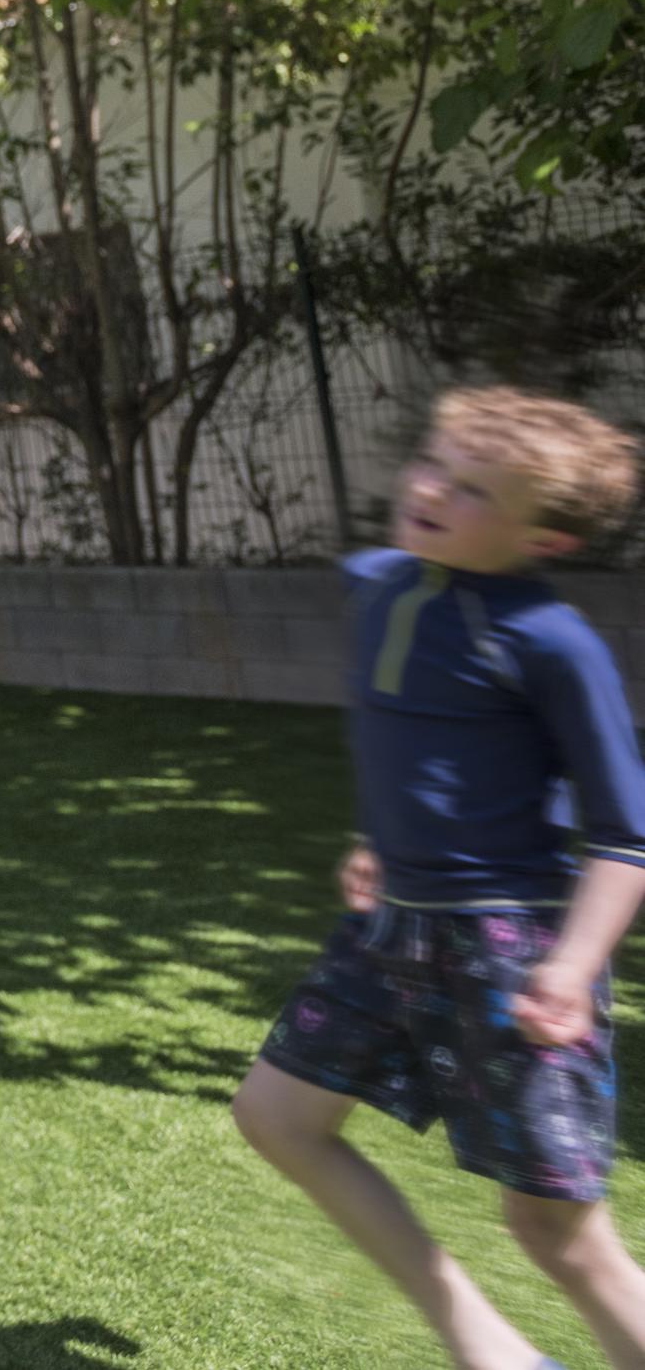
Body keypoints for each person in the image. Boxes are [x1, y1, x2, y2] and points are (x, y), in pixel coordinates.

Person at [232, 387, 645, 1370]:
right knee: (277, 1118)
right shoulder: (378, 585)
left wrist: (572, 965)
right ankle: (484, 1343)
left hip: (513, 952)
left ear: (542, 537)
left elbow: (625, 837)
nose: (429, 488)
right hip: (391, 931)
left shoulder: (551, 639)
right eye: (433, 462)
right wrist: (382, 837)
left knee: (558, 1235)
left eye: (472, 489)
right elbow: (425, 752)